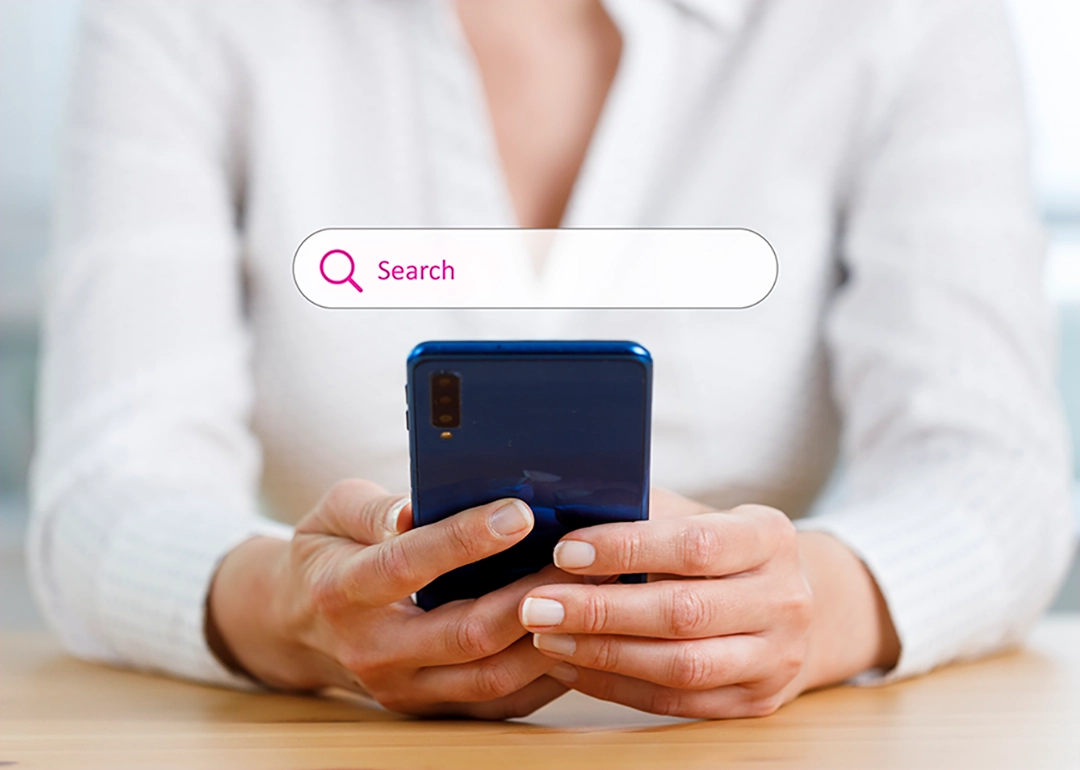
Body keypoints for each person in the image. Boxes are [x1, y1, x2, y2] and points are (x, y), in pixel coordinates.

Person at [29, 0, 1074, 720]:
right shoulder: (182, 18)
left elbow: (997, 472)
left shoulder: (901, 18)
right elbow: (108, 481)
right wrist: (287, 610)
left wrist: (812, 606)